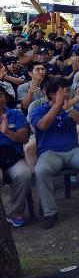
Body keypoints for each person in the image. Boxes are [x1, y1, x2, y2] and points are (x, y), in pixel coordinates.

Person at [31, 78, 79, 228]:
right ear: (52, 94)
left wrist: (69, 109)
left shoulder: (71, 107)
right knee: (40, 170)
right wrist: (57, 105)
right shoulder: (39, 109)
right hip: (50, 152)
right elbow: (42, 125)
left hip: (73, 150)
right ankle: (50, 213)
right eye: (63, 91)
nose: (67, 93)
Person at [1, 85, 32, 227]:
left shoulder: (16, 114)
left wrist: (7, 131)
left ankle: (12, 212)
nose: (0, 99)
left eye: (1, 95)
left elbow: (25, 138)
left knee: (24, 174)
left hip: (12, 156)